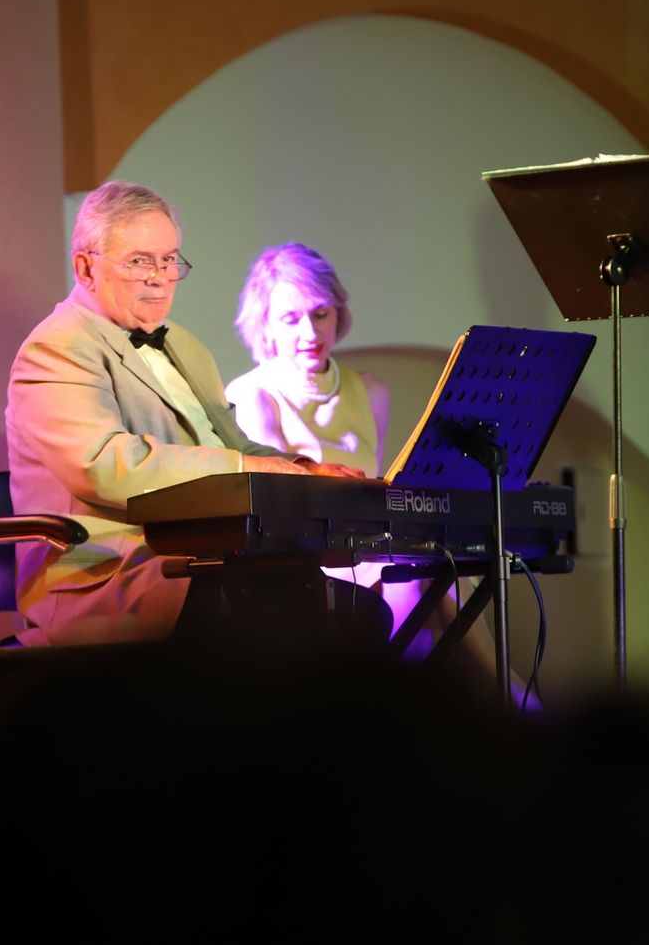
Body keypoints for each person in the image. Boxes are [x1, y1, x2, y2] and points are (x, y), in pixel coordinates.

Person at [4, 183, 368, 648]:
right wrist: (246, 470)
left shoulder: (185, 345)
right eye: (140, 261)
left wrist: (307, 472)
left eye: (169, 260)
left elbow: (236, 446)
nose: (159, 278)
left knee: (359, 615)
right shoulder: (56, 348)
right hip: (109, 575)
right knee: (302, 622)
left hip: (200, 557)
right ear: (86, 268)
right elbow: (104, 464)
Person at [226, 242, 532, 700]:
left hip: (371, 552)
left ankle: (477, 702)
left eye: (321, 313)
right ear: (265, 325)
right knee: (424, 577)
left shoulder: (370, 390)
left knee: (434, 567)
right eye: (290, 319)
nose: (310, 331)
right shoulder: (253, 395)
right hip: (305, 563)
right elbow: (273, 513)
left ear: (338, 314)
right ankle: (511, 701)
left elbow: (381, 496)